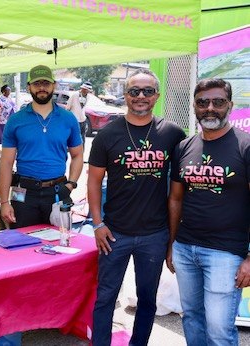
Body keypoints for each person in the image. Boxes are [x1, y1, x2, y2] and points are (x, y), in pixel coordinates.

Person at [87, 68, 185, 346]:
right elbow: (94, 181)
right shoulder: (107, 135)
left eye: (147, 91)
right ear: (125, 95)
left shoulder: (172, 134)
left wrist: (174, 236)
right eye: (134, 91)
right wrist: (97, 223)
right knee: (105, 297)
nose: (140, 96)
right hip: (114, 233)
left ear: (157, 95)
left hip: (155, 234)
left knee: (147, 299)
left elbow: (180, 187)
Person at [167, 78, 250, 346]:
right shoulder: (184, 147)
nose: (210, 108)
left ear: (230, 106)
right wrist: (172, 244)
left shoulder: (245, 146)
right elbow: (176, 199)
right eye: (203, 102)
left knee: (219, 330)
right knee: (191, 317)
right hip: (185, 247)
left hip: (225, 252)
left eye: (218, 102)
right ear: (194, 106)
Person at [0, 65, 83, 228]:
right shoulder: (16, 120)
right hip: (22, 192)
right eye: (37, 84)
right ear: (29, 86)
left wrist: (71, 184)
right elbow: (6, 163)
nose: (42, 88)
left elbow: (78, 155)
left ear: (54, 85)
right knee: (22, 245)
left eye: (46, 83)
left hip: (59, 191)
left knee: (60, 244)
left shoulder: (68, 119)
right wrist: (4, 202)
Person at [0, 84, 16, 153]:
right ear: (3, 91)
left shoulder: (9, 98)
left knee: (3, 134)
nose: (9, 92)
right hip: (1, 120)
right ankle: (3, 149)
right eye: (8, 90)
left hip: (9, 120)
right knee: (2, 134)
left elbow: (13, 108)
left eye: (10, 90)